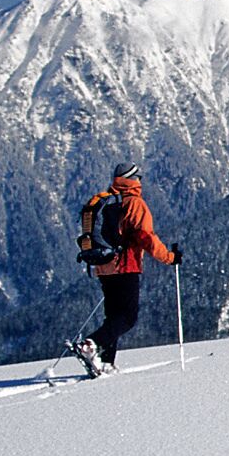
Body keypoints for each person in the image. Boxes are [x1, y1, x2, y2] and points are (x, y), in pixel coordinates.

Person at [73, 161, 179, 376]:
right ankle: (92, 344)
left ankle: (105, 361)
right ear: (132, 179)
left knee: (113, 316)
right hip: (125, 265)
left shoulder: (105, 201)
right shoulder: (134, 203)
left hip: (103, 266)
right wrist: (169, 257)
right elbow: (145, 237)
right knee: (128, 317)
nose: (141, 181)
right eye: (139, 177)